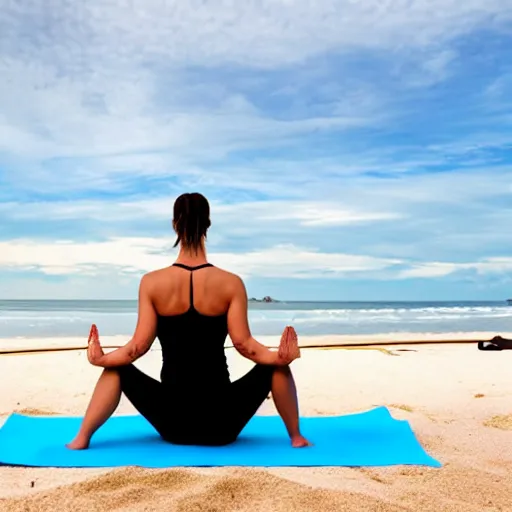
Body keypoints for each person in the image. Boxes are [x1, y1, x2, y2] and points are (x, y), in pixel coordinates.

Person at [67, 192, 310, 450]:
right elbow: (245, 345)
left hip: (173, 422)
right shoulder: (231, 283)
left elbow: (137, 348)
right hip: (222, 423)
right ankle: (296, 437)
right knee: (276, 367)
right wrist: (280, 359)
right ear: (208, 224)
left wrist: (101, 359)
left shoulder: (152, 283)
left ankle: (81, 439)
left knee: (116, 368)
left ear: (174, 224)